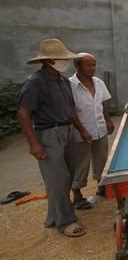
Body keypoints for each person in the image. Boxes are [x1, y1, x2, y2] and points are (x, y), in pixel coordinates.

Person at [16, 38, 92, 237]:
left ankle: (53, 216)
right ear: (48, 60)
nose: (65, 62)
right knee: (57, 179)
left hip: (67, 130)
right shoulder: (35, 83)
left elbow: (71, 110)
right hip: (49, 133)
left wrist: (82, 130)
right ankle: (66, 222)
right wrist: (34, 144)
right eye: (61, 59)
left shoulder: (63, 81)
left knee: (67, 175)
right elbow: (24, 113)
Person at [69, 53, 114, 208]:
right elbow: (71, 112)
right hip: (81, 132)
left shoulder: (98, 82)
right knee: (80, 163)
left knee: (101, 159)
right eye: (89, 65)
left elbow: (104, 103)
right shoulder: (70, 85)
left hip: (99, 128)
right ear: (77, 66)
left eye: (94, 64)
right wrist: (82, 130)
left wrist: (108, 120)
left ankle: (101, 186)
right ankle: (77, 196)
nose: (92, 68)